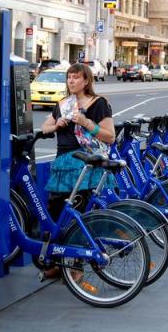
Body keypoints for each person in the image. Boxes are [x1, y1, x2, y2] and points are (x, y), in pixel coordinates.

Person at [41, 63, 116, 220]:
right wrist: (56, 125)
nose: (71, 81)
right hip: (62, 163)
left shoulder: (98, 103)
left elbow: (110, 136)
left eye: (76, 77)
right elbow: (44, 128)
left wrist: (86, 122)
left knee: (85, 211)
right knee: (57, 210)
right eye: (69, 77)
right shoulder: (63, 103)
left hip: (86, 162)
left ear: (86, 81)